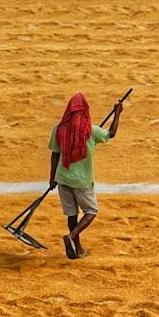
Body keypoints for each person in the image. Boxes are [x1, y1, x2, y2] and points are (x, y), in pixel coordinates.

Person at [48, 93, 118, 260]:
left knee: (72, 214)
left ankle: (78, 249)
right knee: (91, 211)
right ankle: (72, 237)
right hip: (82, 181)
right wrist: (118, 113)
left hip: (63, 179)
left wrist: (52, 179)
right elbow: (111, 133)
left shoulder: (59, 129)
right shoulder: (91, 131)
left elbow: (55, 155)